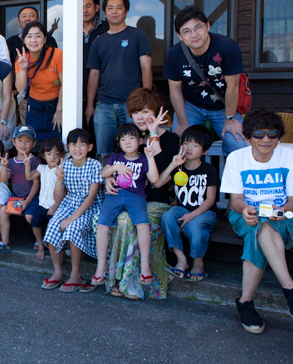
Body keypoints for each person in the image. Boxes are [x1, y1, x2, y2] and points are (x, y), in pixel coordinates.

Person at [220, 108, 293, 334]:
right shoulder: (237, 158)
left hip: (283, 216)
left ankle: (245, 302)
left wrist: (281, 211)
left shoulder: (290, 158)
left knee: (260, 230)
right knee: (260, 224)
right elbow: (235, 200)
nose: (266, 139)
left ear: (279, 136)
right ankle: (290, 290)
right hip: (246, 213)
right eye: (258, 134)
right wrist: (245, 209)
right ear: (247, 137)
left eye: (272, 134)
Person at [100, 87, 180, 298]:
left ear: (157, 111)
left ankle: (131, 283)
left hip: (156, 199)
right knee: (119, 219)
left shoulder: (171, 139)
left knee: (129, 222)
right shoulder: (131, 136)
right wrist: (108, 178)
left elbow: (160, 174)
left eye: (145, 111)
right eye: (136, 112)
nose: (141, 117)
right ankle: (117, 278)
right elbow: (115, 162)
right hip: (128, 197)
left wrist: (153, 134)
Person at [165, 5, 248, 156]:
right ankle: (181, 172)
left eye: (198, 27)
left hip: (223, 107)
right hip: (191, 106)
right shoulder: (175, 54)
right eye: (186, 31)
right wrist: (183, 123)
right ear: (179, 35)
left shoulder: (227, 47)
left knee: (237, 145)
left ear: (208, 26)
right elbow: (174, 90)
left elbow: (233, 87)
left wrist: (229, 119)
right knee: (178, 143)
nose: (194, 35)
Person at [91, 124, 159, 289]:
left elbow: (154, 179)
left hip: (136, 196)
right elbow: (103, 173)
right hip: (115, 194)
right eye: (123, 139)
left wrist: (150, 157)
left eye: (131, 138)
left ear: (140, 140)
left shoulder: (143, 159)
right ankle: (101, 266)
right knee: (102, 225)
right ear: (118, 142)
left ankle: (145, 266)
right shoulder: (116, 157)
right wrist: (115, 167)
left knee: (143, 224)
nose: (127, 142)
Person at [86, 0, 152, 157]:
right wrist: (90, 105)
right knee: (103, 152)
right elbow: (94, 75)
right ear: (104, 12)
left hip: (132, 104)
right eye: (110, 8)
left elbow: (146, 68)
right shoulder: (98, 42)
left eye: (119, 8)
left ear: (126, 11)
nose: (114, 11)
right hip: (104, 104)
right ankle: (106, 176)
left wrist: (146, 101)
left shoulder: (137, 35)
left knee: (134, 150)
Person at [157, 125, 220, 281]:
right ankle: (181, 259)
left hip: (205, 212)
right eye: (186, 143)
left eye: (195, 145)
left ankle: (198, 263)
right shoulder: (178, 168)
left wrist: (193, 215)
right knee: (167, 216)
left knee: (195, 225)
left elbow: (211, 199)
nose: (189, 148)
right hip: (183, 209)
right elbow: (158, 183)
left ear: (205, 151)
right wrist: (173, 165)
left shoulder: (209, 170)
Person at [43, 129, 102, 292]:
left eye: (82, 144)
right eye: (73, 144)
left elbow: (91, 197)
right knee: (53, 225)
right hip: (69, 203)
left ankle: (76, 275)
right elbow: (58, 198)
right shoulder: (66, 165)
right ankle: (58, 272)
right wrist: (59, 180)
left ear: (90, 147)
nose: (77, 148)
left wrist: (71, 219)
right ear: (68, 147)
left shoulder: (95, 165)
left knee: (73, 228)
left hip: (89, 206)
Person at [14, 21, 63, 140]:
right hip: (35, 108)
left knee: (55, 144)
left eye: (38, 36)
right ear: (24, 40)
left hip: (56, 106)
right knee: (35, 144)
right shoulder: (21, 59)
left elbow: (65, 84)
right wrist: (23, 69)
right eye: (29, 36)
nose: (34, 40)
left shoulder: (57, 54)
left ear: (45, 39)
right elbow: (21, 89)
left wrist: (59, 110)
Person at [0, 125, 40, 253]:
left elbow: (36, 184)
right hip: (17, 196)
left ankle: (40, 240)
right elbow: (3, 179)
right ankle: (5, 243)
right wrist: (3, 166)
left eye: (27, 141)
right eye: (20, 140)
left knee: (30, 217)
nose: (23, 144)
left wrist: (27, 202)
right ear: (13, 142)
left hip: (32, 197)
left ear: (34, 143)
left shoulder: (34, 161)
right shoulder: (11, 161)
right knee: (3, 211)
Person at [25, 138, 65, 260]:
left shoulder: (61, 170)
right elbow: (29, 177)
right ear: (43, 155)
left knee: (57, 228)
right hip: (43, 204)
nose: (53, 157)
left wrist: (55, 205)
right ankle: (40, 244)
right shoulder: (42, 168)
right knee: (35, 222)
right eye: (49, 154)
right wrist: (27, 165)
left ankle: (61, 250)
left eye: (56, 154)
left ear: (61, 155)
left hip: (56, 206)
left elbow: (64, 192)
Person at [82, 0, 109, 137]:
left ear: (97, 8)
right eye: (80, 7)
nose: (84, 10)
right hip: (76, 95)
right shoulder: (70, 31)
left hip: (102, 97)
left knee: (101, 140)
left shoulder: (107, 29)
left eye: (88, 6)